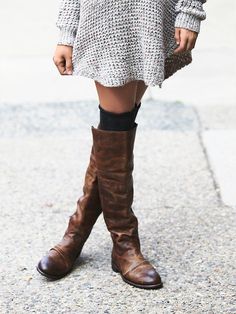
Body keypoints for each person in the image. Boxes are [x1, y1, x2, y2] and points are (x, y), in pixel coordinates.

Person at [37, 0, 207, 289]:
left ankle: (77, 233)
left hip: (153, 14)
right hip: (105, 17)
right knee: (116, 124)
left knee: (119, 126)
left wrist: (190, 11)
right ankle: (124, 243)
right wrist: (67, 33)